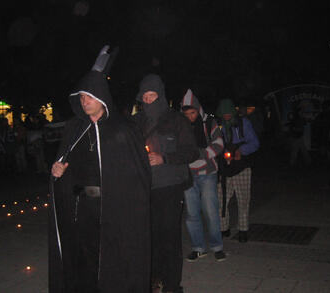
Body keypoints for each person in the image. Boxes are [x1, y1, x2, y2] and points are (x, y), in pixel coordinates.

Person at [49, 70, 151, 293]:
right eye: (81, 97)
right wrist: (57, 172)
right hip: (83, 208)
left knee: (115, 261)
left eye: (89, 96)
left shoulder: (124, 129)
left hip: (115, 210)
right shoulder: (74, 129)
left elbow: (139, 175)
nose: (84, 102)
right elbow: (64, 167)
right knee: (85, 261)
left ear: (102, 97)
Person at [133, 74, 199, 293]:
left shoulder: (176, 120)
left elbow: (191, 152)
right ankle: (153, 281)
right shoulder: (136, 122)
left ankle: (172, 285)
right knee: (149, 237)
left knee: (169, 237)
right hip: (144, 188)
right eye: (146, 96)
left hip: (170, 187)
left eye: (153, 95)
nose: (149, 100)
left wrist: (164, 158)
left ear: (160, 96)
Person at [180, 89, 226, 262]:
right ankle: (198, 247)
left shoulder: (209, 122)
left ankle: (217, 247)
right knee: (192, 213)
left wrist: (201, 154)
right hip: (188, 174)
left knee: (211, 210)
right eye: (187, 114)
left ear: (198, 110)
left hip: (207, 173)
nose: (190, 117)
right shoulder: (179, 126)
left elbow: (219, 143)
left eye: (193, 113)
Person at [216, 99, 260, 242]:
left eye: (229, 112)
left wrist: (241, 150)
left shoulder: (243, 123)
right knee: (221, 199)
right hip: (225, 168)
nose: (227, 114)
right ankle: (224, 228)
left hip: (242, 167)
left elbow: (255, 143)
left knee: (243, 200)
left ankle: (243, 229)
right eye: (224, 112)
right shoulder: (219, 126)